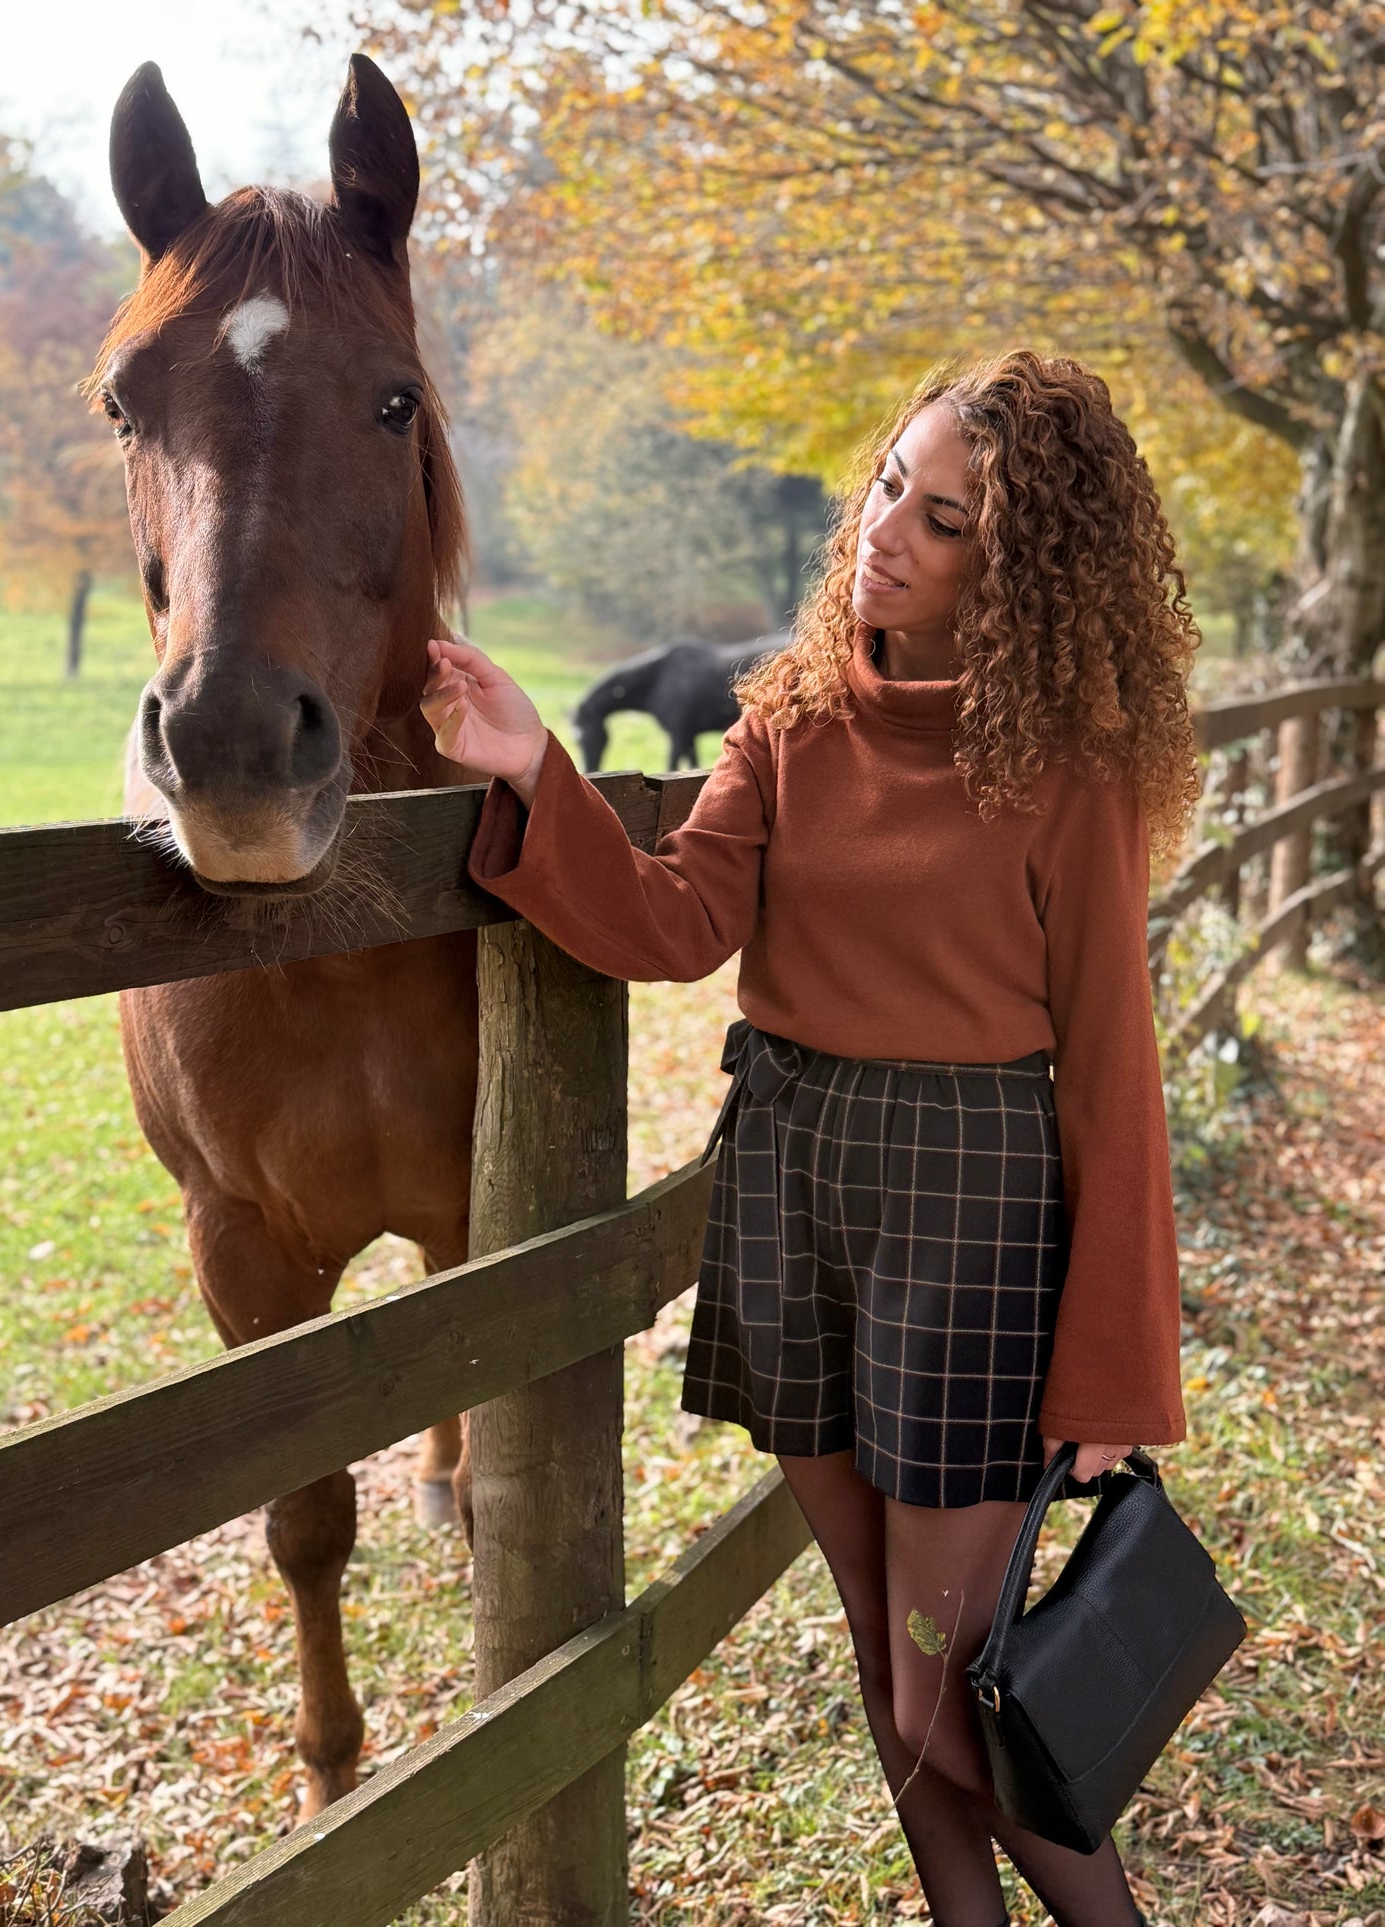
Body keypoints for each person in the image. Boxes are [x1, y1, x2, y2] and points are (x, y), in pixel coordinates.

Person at [422, 349, 1199, 1927]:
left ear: (1026, 566)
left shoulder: (1070, 773)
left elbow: (1114, 1073)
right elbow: (675, 919)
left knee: (943, 1693)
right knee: (880, 1646)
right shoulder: (790, 714)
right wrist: (532, 774)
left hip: (973, 1221)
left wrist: (1115, 1370)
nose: (888, 533)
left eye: (949, 520)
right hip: (791, 1179)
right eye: (890, 489)